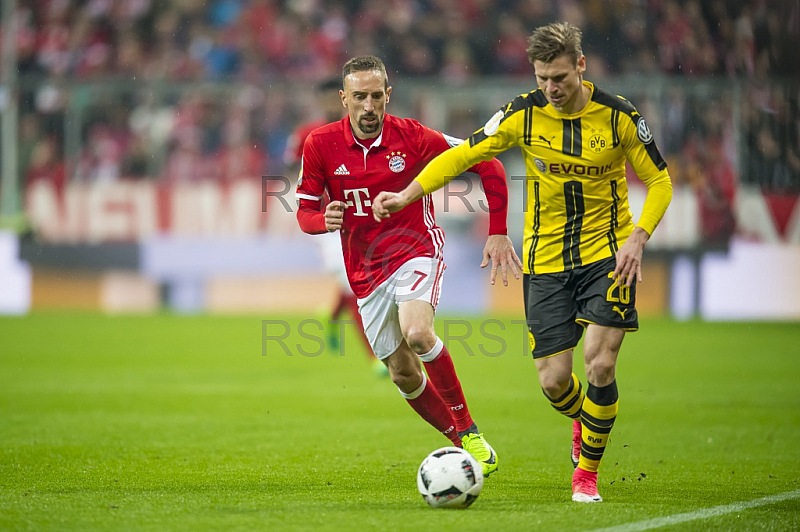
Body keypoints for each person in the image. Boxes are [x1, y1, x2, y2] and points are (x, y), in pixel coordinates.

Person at [372, 22, 673, 502]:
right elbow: (463, 156)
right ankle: (584, 419)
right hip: (545, 258)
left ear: (581, 65)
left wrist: (638, 237)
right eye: (542, 79)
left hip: (608, 254)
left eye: (559, 77)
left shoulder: (619, 116)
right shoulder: (523, 113)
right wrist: (407, 194)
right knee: (555, 382)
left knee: (599, 363)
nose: (551, 89)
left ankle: (586, 476)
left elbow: (660, 183)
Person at [296, 55, 521, 476]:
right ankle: (460, 441)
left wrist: (497, 229)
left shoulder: (414, 136)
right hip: (364, 270)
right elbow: (305, 211)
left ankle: (468, 428)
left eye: (375, 96)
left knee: (418, 333)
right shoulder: (319, 144)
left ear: (388, 96)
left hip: (415, 248)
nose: (368, 106)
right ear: (343, 99)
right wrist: (319, 221)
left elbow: (486, 161)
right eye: (358, 97)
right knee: (401, 373)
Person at [285, 78, 379, 369]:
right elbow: (289, 167)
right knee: (355, 283)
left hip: (359, 217)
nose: (329, 105)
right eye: (323, 99)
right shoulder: (306, 135)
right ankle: (375, 357)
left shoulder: (359, 131)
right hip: (326, 221)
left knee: (361, 278)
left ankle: (332, 313)